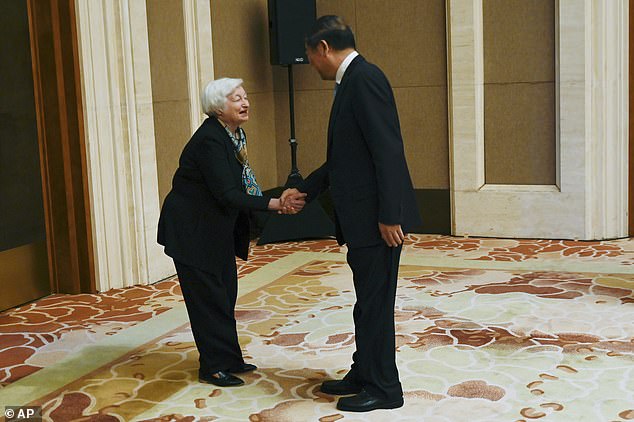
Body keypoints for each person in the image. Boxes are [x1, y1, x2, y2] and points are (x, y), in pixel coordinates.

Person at [281, 16, 422, 412]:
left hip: (378, 222)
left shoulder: (365, 79)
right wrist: (306, 189)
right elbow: (344, 159)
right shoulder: (352, 82)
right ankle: (365, 372)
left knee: (376, 304)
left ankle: (385, 389)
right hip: (363, 221)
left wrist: (390, 214)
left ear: (323, 48)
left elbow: (388, 150)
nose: (311, 65)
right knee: (366, 303)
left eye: (310, 56)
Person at [158, 77, 305, 387]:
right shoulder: (210, 140)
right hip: (191, 231)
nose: (244, 102)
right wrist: (275, 203)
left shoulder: (234, 135)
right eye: (235, 98)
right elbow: (227, 193)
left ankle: (228, 358)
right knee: (208, 299)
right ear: (217, 108)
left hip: (214, 230)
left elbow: (238, 186)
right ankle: (212, 367)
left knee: (225, 293)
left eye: (245, 96)